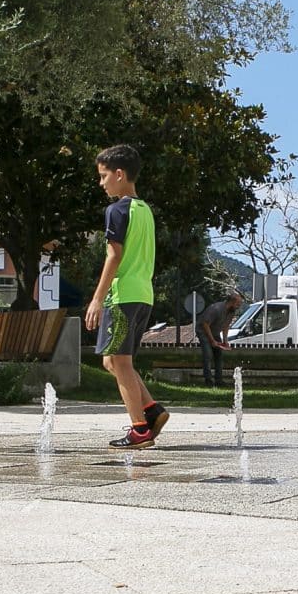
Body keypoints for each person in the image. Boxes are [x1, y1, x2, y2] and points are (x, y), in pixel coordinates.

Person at [85, 144, 169, 448]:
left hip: (122, 297)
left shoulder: (116, 210)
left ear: (119, 174)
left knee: (119, 361)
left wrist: (97, 298)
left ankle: (139, 430)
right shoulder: (145, 211)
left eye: (104, 176)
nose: (101, 182)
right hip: (143, 294)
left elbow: (114, 256)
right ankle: (152, 411)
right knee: (113, 360)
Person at [196, 290, 242, 387]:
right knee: (208, 354)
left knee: (219, 355)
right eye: (238, 303)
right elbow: (205, 324)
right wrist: (212, 340)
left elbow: (225, 326)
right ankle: (208, 380)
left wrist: (225, 341)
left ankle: (219, 380)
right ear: (232, 302)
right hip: (204, 331)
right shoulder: (216, 309)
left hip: (215, 332)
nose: (239, 306)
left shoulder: (231, 312)